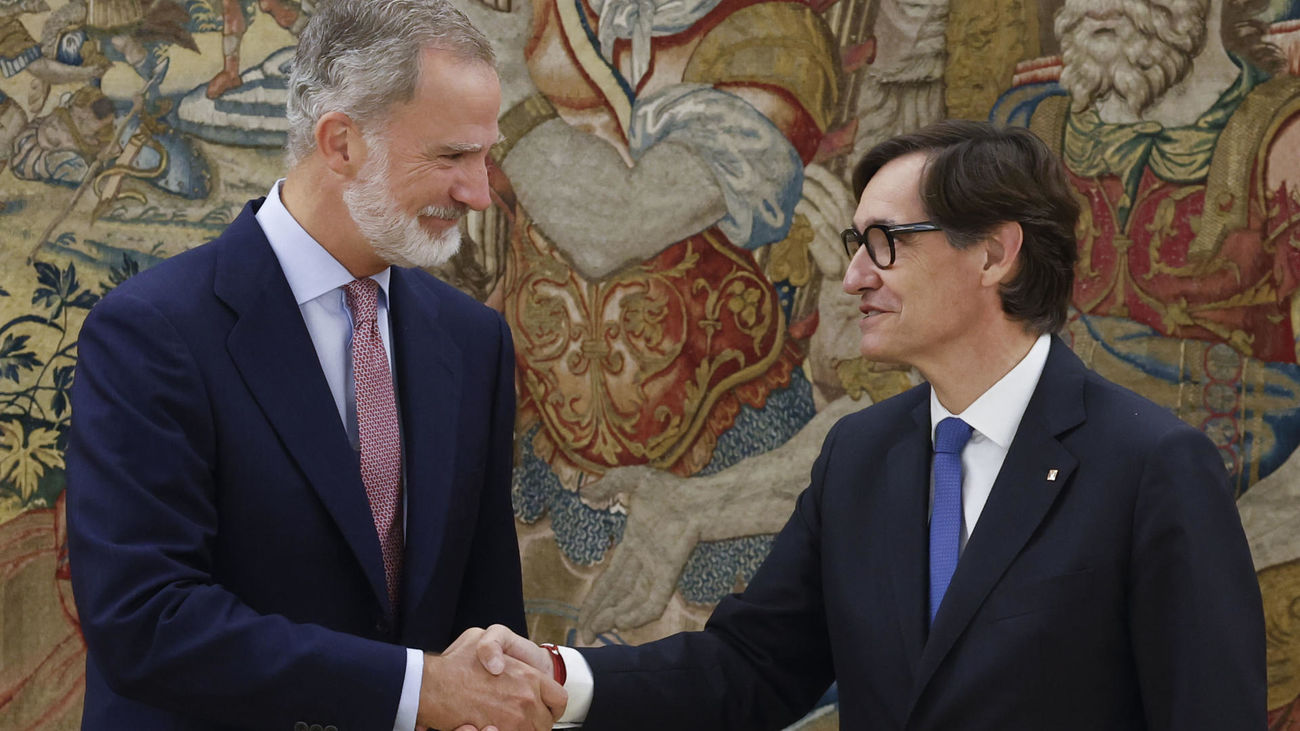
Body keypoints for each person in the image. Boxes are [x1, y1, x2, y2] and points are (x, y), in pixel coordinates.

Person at [473, 120, 1267, 729]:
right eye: (856, 244)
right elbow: (751, 666)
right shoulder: (859, 455)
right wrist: (559, 676)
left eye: (884, 243)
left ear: (995, 255)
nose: (853, 276)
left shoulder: (1153, 467)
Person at [65, 1, 563, 730]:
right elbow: (147, 620)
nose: (478, 192)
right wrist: (417, 688)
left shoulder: (473, 340)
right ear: (341, 144)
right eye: (452, 156)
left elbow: (482, 624)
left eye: (484, 156)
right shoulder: (150, 332)